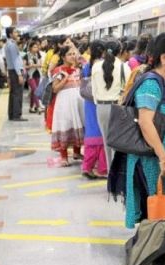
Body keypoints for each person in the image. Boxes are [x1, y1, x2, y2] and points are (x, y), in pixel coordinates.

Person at [111, 33, 165, 229]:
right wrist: (164, 158)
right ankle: (152, 250)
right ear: (163, 58)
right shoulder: (151, 84)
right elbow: (146, 122)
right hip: (154, 160)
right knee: (157, 212)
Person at [92, 39, 130, 167]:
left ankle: (110, 176)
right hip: (118, 107)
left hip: (101, 107)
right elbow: (128, 89)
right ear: (120, 51)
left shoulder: (96, 66)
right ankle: (119, 177)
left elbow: (94, 90)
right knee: (119, 144)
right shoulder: (124, 67)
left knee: (107, 143)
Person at [50, 46, 84, 166]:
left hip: (78, 101)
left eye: (74, 54)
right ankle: (64, 157)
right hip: (64, 103)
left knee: (78, 123)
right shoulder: (59, 70)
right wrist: (65, 78)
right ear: (63, 57)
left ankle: (77, 152)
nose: (73, 56)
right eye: (69, 54)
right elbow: (55, 89)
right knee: (65, 125)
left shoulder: (78, 69)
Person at [81, 41, 108, 179]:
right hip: (102, 100)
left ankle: (87, 166)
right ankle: (103, 168)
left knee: (92, 132)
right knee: (104, 134)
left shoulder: (87, 66)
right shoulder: (105, 65)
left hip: (89, 102)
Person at [4, 27, 26, 121]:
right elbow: (15, 60)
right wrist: (19, 74)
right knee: (17, 94)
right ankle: (17, 115)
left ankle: (12, 114)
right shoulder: (12, 45)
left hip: (12, 71)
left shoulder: (8, 44)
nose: (17, 34)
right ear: (10, 34)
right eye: (15, 32)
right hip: (16, 71)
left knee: (13, 93)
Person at [24, 41, 43, 113]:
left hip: (37, 74)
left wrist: (35, 65)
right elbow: (24, 66)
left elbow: (41, 64)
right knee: (35, 90)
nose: (36, 48)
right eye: (34, 47)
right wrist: (30, 66)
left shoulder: (38, 54)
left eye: (37, 47)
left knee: (33, 91)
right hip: (30, 75)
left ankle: (31, 107)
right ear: (30, 48)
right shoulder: (26, 55)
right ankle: (38, 107)